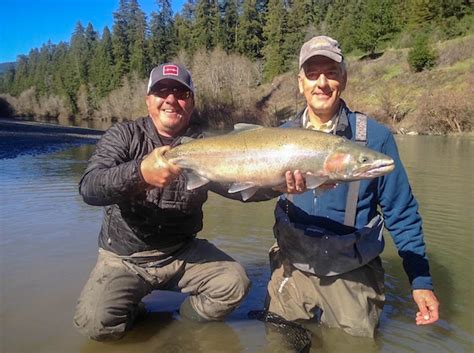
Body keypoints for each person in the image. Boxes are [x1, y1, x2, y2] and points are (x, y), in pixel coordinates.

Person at [73, 63, 276, 341]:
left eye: (181, 93)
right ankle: (137, 311)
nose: (171, 99)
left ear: (191, 104)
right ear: (148, 100)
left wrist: (280, 183)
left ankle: (181, 321)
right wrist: (139, 173)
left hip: (181, 252)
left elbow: (240, 190)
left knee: (234, 284)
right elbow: (90, 187)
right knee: (94, 324)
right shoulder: (123, 136)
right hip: (125, 257)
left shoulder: (205, 147)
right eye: (162, 91)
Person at [265, 36, 440, 338]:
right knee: (280, 341)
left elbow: (402, 213)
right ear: (300, 82)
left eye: (331, 72)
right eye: (312, 74)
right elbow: (247, 192)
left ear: (343, 79)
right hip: (294, 265)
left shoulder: (375, 138)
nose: (322, 83)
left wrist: (420, 281)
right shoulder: (277, 139)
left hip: (352, 269)